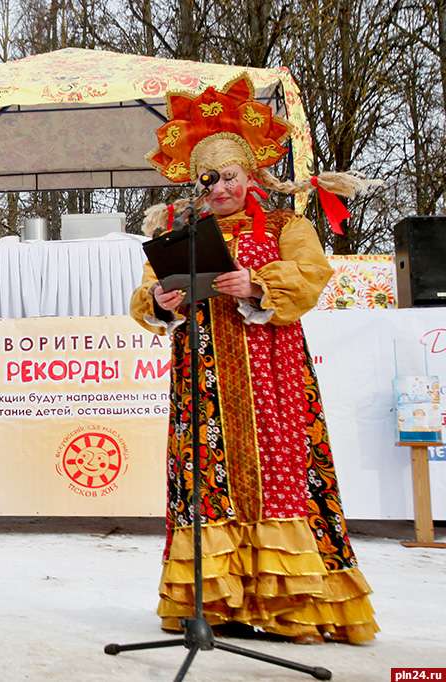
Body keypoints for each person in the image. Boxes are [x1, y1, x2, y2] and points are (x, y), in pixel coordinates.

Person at [130, 74, 379, 645]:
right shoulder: (182, 233)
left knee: (281, 476)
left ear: (253, 176)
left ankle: (288, 605)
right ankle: (216, 604)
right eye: (207, 180)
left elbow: (313, 278)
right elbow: (144, 295)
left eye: (228, 178)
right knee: (209, 481)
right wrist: (161, 300)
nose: (218, 189)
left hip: (273, 374)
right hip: (205, 380)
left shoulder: (291, 226)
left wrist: (258, 284)